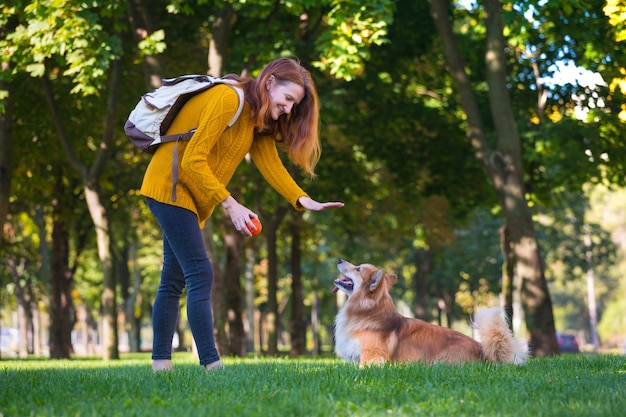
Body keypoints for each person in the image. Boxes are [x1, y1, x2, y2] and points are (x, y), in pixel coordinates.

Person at [140, 58, 344, 372]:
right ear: (271, 81)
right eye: (288, 99)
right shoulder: (229, 98)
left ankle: (161, 367)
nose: (289, 109)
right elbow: (193, 159)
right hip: (170, 185)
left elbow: (270, 164)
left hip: (188, 197)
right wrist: (230, 204)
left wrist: (303, 200)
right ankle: (211, 364)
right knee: (199, 273)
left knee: (174, 279)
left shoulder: (256, 119)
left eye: (294, 105)